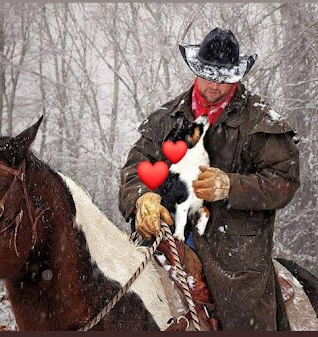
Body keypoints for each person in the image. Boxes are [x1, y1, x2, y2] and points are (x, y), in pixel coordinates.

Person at [118, 27, 300, 331]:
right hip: (166, 236)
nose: (214, 85)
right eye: (207, 75)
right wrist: (141, 199)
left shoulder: (262, 122)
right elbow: (137, 167)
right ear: (195, 69)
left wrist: (231, 186)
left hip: (236, 252)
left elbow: (284, 180)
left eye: (223, 77)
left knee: (247, 319)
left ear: (237, 75)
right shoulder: (165, 118)